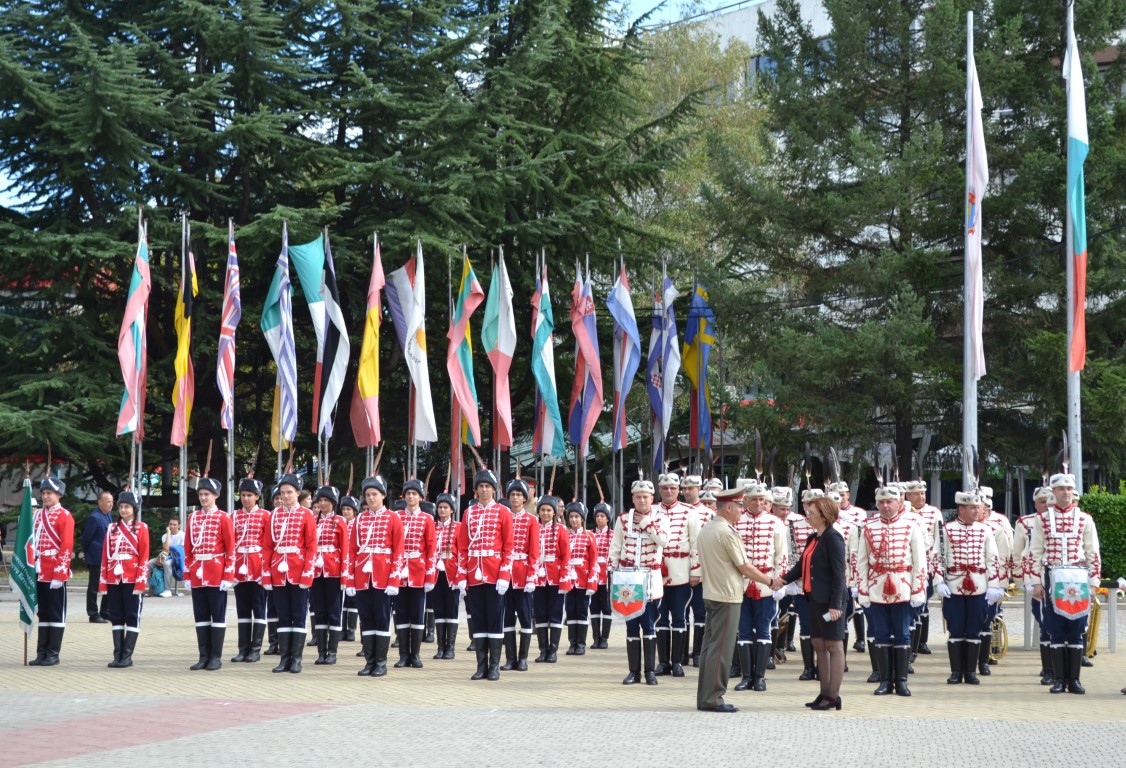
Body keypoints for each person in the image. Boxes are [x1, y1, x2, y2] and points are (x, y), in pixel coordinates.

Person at [697, 487, 775, 713]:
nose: (742, 510)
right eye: (739, 506)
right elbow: (745, 567)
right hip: (727, 595)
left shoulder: (707, 528)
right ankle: (714, 698)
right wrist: (770, 581)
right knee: (722, 649)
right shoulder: (727, 532)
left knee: (709, 648)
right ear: (728, 507)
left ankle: (705, 696)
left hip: (712, 593)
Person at [1027, 473, 1100, 694]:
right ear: (1053, 491)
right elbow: (1035, 552)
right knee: (1055, 628)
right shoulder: (1042, 519)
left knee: (1076, 629)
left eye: (1069, 489)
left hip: (1078, 578)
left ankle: (1074, 680)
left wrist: (1093, 583)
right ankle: (1059, 680)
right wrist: (1036, 582)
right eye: (1061, 489)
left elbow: (1093, 552)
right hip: (1052, 575)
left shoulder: (1085, 519)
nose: (1066, 493)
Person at [775, 496, 848, 710]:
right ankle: (824, 692)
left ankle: (833, 696)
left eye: (812, 513)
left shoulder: (833, 537)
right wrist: (782, 580)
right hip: (814, 598)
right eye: (808, 512)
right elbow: (801, 566)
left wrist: (835, 605)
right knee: (818, 644)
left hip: (830, 601)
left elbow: (839, 574)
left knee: (834, 645)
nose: (808, 517)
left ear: (825, 515)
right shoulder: (813, 538)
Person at [856, 485, 926, 696]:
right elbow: (861, 563)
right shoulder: (868, 528)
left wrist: (918, 591)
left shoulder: (911, 526)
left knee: (903, 634)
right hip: (877, 589)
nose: (885, 506)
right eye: (881, 502)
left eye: (889, 502)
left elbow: (919, 562)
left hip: (903, 587)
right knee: (881, 635)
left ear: (899, 503)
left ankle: (901, 681)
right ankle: (885, 681)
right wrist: (863, 592)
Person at [934, 490, 1001, 685]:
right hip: (954, 586)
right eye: (972, 508)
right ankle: (956, 672)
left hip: (978, 586)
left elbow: (993, 559)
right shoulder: (947, 530)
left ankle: (970, 672)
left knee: (974, 628)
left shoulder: (985, 530)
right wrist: (939, 582)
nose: (977, 511)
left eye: (978, 507)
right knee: (955, 629)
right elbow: (936, 557)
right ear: (961, 509)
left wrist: (993, 585)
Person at [456, 469, 514, 681]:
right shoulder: (468, 513)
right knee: (478, 619)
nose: (484, 490)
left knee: (495, 619)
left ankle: (494, 666)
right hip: (474, 574)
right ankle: (481, 666)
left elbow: (509, 547)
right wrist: (461, 575)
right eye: (480, 486)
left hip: (495, 573)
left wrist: (504, 574)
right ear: (476, 490)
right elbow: (462, 547)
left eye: (488, 486)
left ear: (494, 489)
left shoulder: (503, 512)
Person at [609, 479, 669, 685]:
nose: (642, 500)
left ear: (652, 498)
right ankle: (633, 671)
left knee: (649, 625)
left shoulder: (661, 518)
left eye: (646, 497)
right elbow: (616, 547)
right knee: (631, 626)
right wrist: (612, 572)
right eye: (638, 497)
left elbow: (663, 541)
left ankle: (649, 671)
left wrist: (646, 523)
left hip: (650, 579)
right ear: (633, 499)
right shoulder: (623, 519)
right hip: (627, 579)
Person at [345, 475, 404, 677]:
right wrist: (350, 580)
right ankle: (369, 661)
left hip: (383, 577)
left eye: (374, 494)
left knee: (381, 618)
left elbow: (398, 551)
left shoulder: (393, 518)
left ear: (383, 495)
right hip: (362, 577)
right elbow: (352, 551)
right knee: (366, 618)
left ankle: (381, 663)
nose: (371, 498)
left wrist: (394, 579)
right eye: (368, 494)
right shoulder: (360, 519)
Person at [732, 482, 787, 692]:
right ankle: (746, 676)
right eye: (753, 499)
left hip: (766, 582)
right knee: (743, 630)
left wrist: (779, 582)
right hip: (741, 583)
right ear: (745, 500)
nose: (757, 503)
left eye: (761, 500)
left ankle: (760, 677)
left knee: (764, 629)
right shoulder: (736, 521)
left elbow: (781, 555)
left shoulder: (775, 523)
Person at [263, 473, 317, 673]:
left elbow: (311, 547)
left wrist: (307, 573)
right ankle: (284, 659)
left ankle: (296, 659)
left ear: (297, 493)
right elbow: (267, 547)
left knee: (298, 615)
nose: (285, 496)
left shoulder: (306, 515)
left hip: (298, 570)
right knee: (283, 615)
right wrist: (266, 574)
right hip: (278, 571)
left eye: (289, 492)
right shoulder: (273, 515)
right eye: (282, 493)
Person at [184, 477, 236, 671]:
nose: (203, 498)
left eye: (207, 494)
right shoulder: (193, 518)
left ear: (216, 496)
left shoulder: (224, 517)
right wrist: (187, 575)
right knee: (201, 616)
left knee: (217, 616)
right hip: (198, 572)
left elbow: (230, 548)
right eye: (201, 494)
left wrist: (228, 576)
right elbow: (188, 548)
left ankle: (216, 657)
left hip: (216, 572)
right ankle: (203, 656)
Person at [653, 473, 701, 678]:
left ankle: (677, 662)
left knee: (680, 617)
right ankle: (663, 662)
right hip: (657, 571)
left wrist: (696, 571)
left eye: (673, 488)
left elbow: (696, 543)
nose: (669, 491)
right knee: (660, 616)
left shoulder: (689, 511)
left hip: (681, 569)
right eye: (665, 488)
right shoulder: (652, 510)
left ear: (679, 490)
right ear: (659, 489)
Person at [98, 491, 149, 668]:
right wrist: (103, 581)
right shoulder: (111, 528)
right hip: (114, 578)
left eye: (127, 507)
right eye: (121, 507)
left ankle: (127, 656)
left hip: (132, 578)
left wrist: (141, 581)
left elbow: (144, 556)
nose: (123, 510)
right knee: (116, 616)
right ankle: (117, 655)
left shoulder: (142, 528)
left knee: (132, 616)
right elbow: (105, 556)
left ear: (134, 509)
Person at [28, 477, 74, 666]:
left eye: (49, 493)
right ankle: (41, 653)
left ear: (58, 495)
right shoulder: (37, 514)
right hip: (39, 569)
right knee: (43, 612)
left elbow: (66, 546)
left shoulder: (65, 515)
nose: (45, 496)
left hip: (54, 568)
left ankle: (53, 654)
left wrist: (60, 574)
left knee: (55, 612)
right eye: (43, 493)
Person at [394, 478, 436, 669]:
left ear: (421, 497)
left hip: (418, 570)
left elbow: (431, 549)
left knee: (417, 614)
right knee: (401, 613)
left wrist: (430, 576)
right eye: (408, 494)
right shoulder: (396, 516)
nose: (411, 497)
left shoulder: (427, 519)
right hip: (399, 570)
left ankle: (415, 654)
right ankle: (403, 655)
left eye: (414, 494)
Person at [1013, 487, 1054, 684]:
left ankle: (1062, 670)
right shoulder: (1025, 522)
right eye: (1042, 501)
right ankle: (1048, 669)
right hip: (1036, 579)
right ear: (1035, 503)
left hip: (1060, 580)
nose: (1046, 504)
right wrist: (1021, 581)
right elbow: (1017, 553)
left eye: (1049, 500)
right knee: (1045, 624)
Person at [500, 478, 539, 671]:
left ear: (524, 498)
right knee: (507, 617)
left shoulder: (531, 520)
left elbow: (534, 552)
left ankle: (523, 658)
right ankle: (510, 659)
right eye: (512, 495)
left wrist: (531, 577)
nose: (515, 498)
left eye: (519, 495)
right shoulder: (502, 517)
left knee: (524, 616)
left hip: (523, 574)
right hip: (505, 574)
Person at [230, 478, 270, 663]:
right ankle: (243, 649)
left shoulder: (265, 516)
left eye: (249, 495)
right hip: (239, 568)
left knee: (259, 608)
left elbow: (268, 545)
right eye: (243, 495)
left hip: (257, 567)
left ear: (257, 496)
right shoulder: (233, 517)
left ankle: (255, 649)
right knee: (243, 609)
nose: (246, 499)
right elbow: (230, 545)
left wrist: (265, 571)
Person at [975, 486, 1013, 677]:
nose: (976, 510)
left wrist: (1000, 585)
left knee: (988, 621)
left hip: (989, 583)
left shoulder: (997, 528)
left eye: (979, 507)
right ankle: (965, 664)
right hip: (965, 584)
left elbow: (1004, 557)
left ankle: (986, 658)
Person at [310, 485, 348, 666]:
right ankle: (321, 651)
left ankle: (332, 652)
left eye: (326, 500)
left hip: (333, 570)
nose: (323, 503)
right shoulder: (312, 520)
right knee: (319, 611)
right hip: (316, 571)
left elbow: (345, 550)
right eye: (320, 500)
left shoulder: (340, 521)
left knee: (333, 611)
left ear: (333, 503)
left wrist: (344, 576)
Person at [533, 495, 571, 663]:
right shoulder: (534, 527)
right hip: (537, 577)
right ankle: (543, 650)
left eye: (549, 510)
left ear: (555, 512)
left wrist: (564, 579)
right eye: (542, 510)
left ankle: (553, 650)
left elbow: (566, 556)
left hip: (555, 576)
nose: (545, 513)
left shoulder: (561, 529)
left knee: (555, 613)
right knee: (540, 613)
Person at [682, 475, 711, 667]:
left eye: (691, 488)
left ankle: (699, 652)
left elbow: (707, 544)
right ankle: (682, 653)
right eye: (684, 489)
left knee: (700, 613)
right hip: (680, 569)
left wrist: (698, 571)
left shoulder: (708, 514)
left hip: (701, 571)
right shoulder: (679, 511)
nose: (687, 492)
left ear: (699, 489)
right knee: (681, 613)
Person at [564, 501, 598, 655]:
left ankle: (581, 644)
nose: (574, 519)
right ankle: (572, 643)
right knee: (570, 610)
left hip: (583, 578)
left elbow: (593, 560)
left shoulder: (589, 536)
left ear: (583, 519)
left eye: (577, 516)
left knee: (582, 610)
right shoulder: (565, 535)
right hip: (568, 578)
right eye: (571, 516)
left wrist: (592, 581)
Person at [431, 493, 461, 659]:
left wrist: (460, 575)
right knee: (439, 609)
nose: (442, 510)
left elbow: (462, 552)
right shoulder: (432, 526)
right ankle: (440, 647)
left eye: (445, 507)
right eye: (440, 507)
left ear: (452, 510)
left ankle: (450, 647)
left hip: (451, 572)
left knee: (452, 608)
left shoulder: (458, 527)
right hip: (436, 572)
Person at [82, 490, 114, 623]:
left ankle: (105, 611)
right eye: (108, 502)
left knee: (109, 585)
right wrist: (88, 554)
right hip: (96, 557)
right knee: (94, 587)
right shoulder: (94, 517)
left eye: (112, 502)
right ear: (100, 502)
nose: (111, 504)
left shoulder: (108, 514)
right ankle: (93, 614)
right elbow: (86, 539)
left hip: (108, 557)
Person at [589, 502, 614, 649]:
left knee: (606, 606)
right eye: (597, 515)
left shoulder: (613, 535)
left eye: (602, 516)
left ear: (608, 518)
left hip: (607, 574)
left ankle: (604, 638)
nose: (599, 518)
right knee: (594, 606)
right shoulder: (589, 534)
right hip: (592, 574)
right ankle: (595, 638)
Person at [339, 495, 361, 643]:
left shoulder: (358, 525)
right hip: (340, 564)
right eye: (344, 509)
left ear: (354, 511)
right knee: (342, 599)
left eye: (349, 509)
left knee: (352, 599)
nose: (346, 512)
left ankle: (351, 629)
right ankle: (342, 629)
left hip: (354, 563)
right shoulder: (339, 524)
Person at [147, 517, 185, 597]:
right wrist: (168, 533)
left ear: (179, 526)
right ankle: (152, 588)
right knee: (149, 563)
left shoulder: (182, 535)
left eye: (174, 525)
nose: (172, 526)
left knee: (167, 564)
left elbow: (182, 551)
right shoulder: (165, 535)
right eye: (170, 524)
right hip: (166, 556)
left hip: (178, 559)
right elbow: (166, 547)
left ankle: (168, 590)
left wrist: (171, 551)